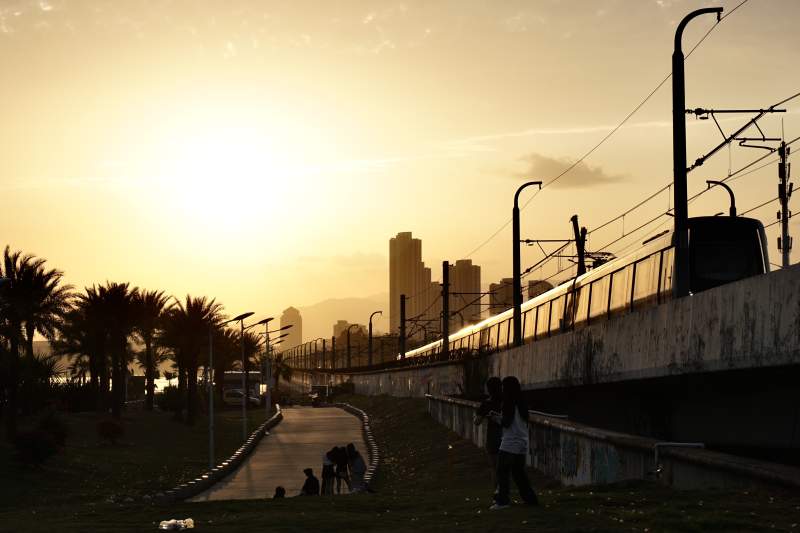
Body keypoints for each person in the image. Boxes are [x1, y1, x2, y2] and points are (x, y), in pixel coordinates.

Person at [489, 376, 538, 510]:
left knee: (502, 471)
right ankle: (530, 499)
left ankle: (503, 501)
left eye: (504, 387)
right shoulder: (521, 403)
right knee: (518, 473)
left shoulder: (508, 403)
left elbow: (506, 422)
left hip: (510, 442)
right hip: (522, 442)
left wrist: (495, 418)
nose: (502, 390)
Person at [474, 377, 503, 491]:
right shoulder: (506, 401)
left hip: (493, 436)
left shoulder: (487, 403)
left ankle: (497, 492)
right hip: (507, 436)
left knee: (494, 467)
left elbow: (477, 421)